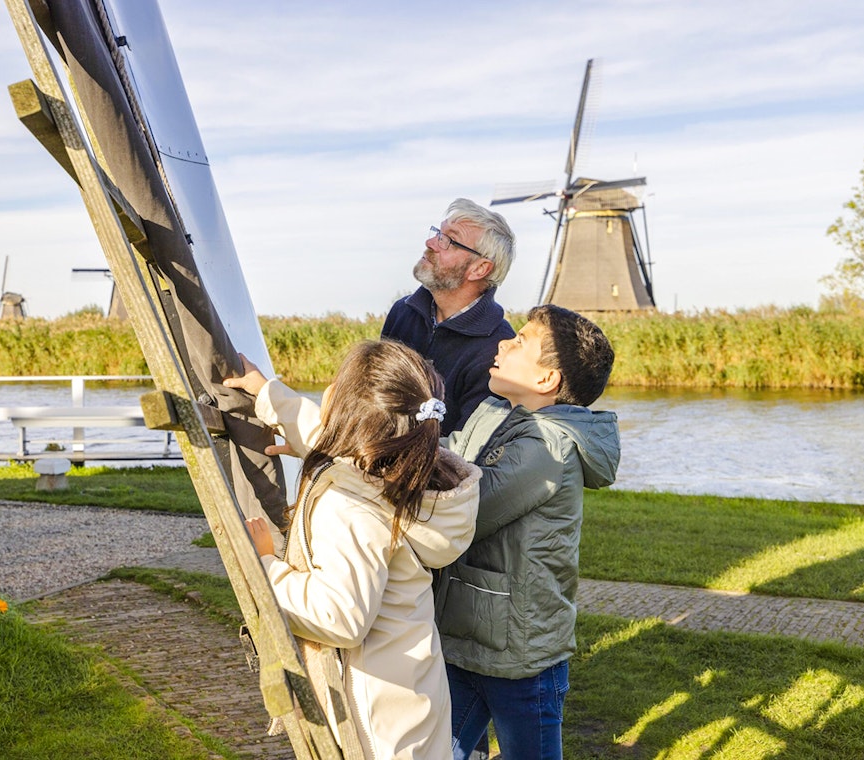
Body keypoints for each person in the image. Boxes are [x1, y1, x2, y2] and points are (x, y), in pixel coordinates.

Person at [225, 340, 481, 760]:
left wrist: (267, 565)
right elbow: (336, 438)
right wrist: (268, 393)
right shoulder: (409, 470)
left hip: (372, 724)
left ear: (349, 414)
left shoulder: (350, 504)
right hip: (409, 697)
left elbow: (340, 616)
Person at [435, 305, 620, 760]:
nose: (502, 343)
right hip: (469, 636)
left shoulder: (545, 445)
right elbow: (445, 454)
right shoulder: (494, 411)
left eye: (519, 341)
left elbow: (466, 512)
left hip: (521, 652)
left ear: (546, 381)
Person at [382, 198, 517, 437]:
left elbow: (468, 451)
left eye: (448, 240)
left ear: (479, 269)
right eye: (437, 233)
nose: (431, 243)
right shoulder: (403, 312)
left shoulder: (498, 349)